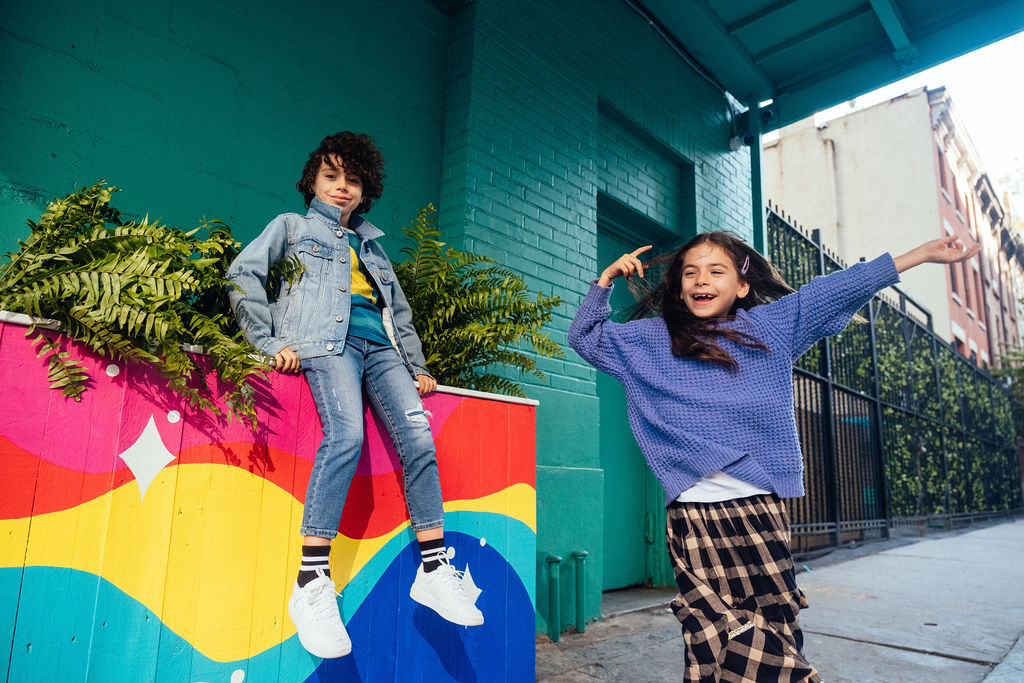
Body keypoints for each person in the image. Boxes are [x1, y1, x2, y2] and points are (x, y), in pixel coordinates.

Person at [568, 230, 977, 681]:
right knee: (707, 634)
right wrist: (604, 282)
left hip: (757, 510)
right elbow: (586, 337)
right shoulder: (648, 340)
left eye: (715, 270)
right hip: (691, 517)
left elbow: (837, 289)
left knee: (772, 626)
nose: (701, 279)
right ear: (680, 286)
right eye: (691, 272)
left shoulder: (770, 327)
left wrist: (919, 252)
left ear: (742, 286)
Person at [227, 132, 483, 659]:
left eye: (353, 180)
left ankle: (434, 569)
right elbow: (242, 273)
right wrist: (268, 341)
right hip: (325, 343)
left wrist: (417, 366)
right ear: (312, 181)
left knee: (418, 437)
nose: (342, 188)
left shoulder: (373, 247)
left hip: (381, 349)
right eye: (332, 177)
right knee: (344, 435)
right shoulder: (291, 227)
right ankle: (311, 583)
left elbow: (400, 314)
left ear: (366, 190)